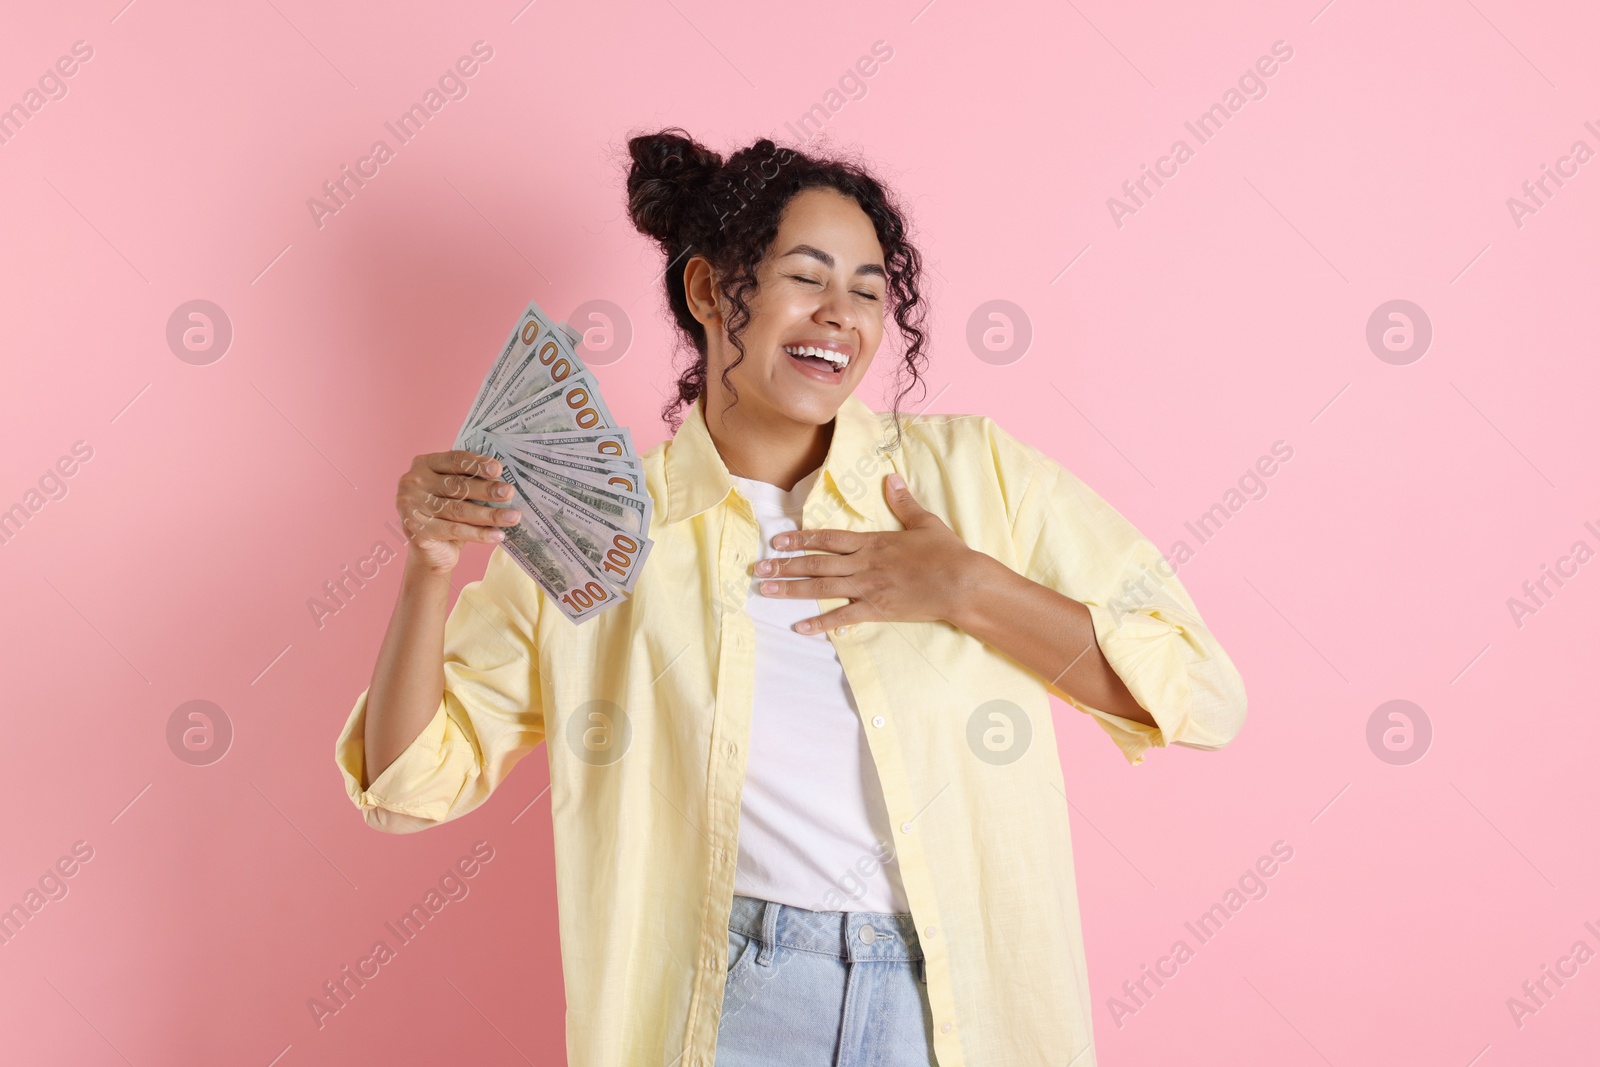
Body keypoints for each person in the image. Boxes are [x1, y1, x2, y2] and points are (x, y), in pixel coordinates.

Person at [333, 128, 1248, 1067]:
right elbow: (409, 785)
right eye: (806, 276)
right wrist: (431, 568)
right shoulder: (596, 528)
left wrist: (968, 587)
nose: (840, 315)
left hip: (955, 1006)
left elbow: (1201, 694)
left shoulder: (976, 479)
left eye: (867, 289)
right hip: (725, 1004)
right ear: (708, 291)